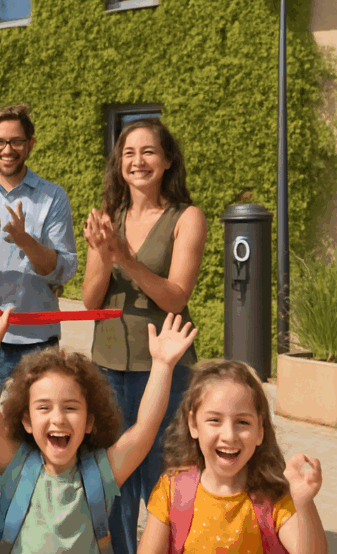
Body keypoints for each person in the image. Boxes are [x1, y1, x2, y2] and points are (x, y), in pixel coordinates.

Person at [0, 296, 197, 553]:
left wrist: (163, 366)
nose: (58, 418)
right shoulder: (16, 466)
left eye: (71, 407)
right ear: (26, 421)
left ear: (89, 421)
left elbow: (145, 428)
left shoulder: (99, 474)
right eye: (43, 407)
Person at [82, 118, 206, 554]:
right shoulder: (108, 217)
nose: (138, 161)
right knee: (113, 478)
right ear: (119, 164)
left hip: (165, 368)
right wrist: (101, 252)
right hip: (108, 364)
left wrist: (126, 258)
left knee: (163, 475)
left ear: (168, 160)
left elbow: (175, 297)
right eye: (129, 153)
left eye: (149, 152)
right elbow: (90, 299)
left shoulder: (186, 218)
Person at [0, 104, 78, 531]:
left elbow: (62, 269)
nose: (8, 149)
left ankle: (20, 534)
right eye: (0, 141)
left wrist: (24, 238)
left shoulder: (52, 197)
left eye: (16, 141)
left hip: (36, 346)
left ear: (30, 144)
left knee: (27, 447)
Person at [139, 360, 327, 554]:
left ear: (260, 431)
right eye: (214, 420)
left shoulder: (274, 498)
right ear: (193, 425)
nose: (229, 435)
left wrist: (304, 503)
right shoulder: (171, 492)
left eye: (243, 422)